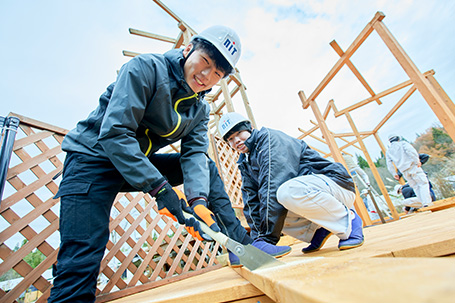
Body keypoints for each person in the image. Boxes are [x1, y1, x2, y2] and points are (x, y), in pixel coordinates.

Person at [48, 26, 289, 303]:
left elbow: (195, 155)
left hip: (136, 162)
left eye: (217, 74)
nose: (206, 76)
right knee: (82, 254)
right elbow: (115, 133)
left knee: (207, 168)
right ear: (188, 50)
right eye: (205, 63)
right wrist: (162, 189)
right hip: (92, 159)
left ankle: (240, 245)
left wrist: (198, 200)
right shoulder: (145, 68)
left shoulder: (199, 110)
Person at [218, 113, 364, 254]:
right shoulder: (245, 161)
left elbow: (271, 184)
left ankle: (348, 220)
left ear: (249, 127)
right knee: (272, 206)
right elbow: (252, 202)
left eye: (238, 133)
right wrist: (259, 241)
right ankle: (318, 231)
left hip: (335, 184)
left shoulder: (269, 139)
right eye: (230, 138)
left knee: (284, 193)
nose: (236, 140)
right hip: (311, 191)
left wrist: (267, 238)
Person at [386, 134, 433, 209]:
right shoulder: (403, 144)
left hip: (404, 171)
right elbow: (411, 151)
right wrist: (417, 161)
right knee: (423, 183)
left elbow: (389, 163)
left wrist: (394, 173)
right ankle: (427, 203)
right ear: (398, 138)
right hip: (412, 167)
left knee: (415, 187)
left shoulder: (389, 151)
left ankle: (423, 203)